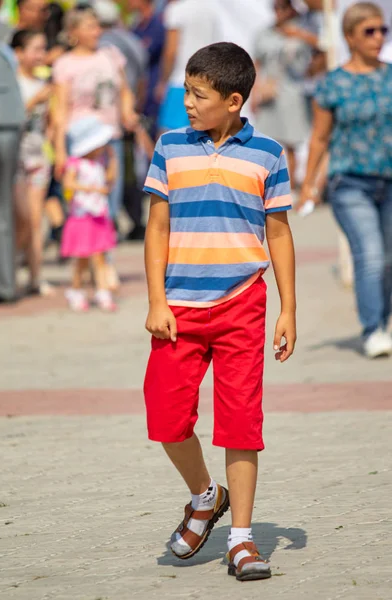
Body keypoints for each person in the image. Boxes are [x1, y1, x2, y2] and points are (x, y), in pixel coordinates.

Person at [143, 42, 296, 581]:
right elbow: (157, 227)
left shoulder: (269, 154)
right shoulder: (169, 147)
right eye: (186, 89)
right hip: (178, 309)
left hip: (242, 304)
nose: (187, 102)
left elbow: (278, 232)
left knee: (240, 423)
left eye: (198, 94)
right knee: (165, 419)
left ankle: (242, 540)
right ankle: (206, 496)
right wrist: (156, 301)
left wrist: (287, 308)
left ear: (233, 101)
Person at [299, 2, 392, 359]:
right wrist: (309, 183)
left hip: (389, 182)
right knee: (369, 255)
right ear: (350, 36)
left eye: (383, 30)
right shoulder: (333, 84)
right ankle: (373, 330)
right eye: (369, 31)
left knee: (386, 260)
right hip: (350, 182)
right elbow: (320, 138)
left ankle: (382, 321)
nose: (378, 37)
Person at [53, 7, 137, 223]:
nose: (97, 32)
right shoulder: (65, 64)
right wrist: (60, 150)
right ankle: (89, 254)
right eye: (90, 27)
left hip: (110, 137)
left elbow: (124, 90)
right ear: (73, 31)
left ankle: (104, 253)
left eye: (97, 26)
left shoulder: (110, 55)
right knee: (85, 204)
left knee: (111, 200)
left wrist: (128, 111)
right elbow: (60, 109)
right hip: (81, 142)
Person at [96, 0, 149, 240]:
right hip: (129, 113)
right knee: (131, 170)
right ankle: (133, 220)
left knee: (116, 171)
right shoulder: (132, 40)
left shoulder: (104, 45)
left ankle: (112, 223)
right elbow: (142, 78)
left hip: (111, 119)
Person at [252, 0, 319, 189]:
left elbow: (324, 47)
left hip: (292, 91)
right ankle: (265, 181)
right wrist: (254, 91)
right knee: (266, 138)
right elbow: (257, 62)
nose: (279, 12)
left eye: (283, 7)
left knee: (291, 141)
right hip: (270, 90)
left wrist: (300, 35)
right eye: (276, 7)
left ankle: (290, 184)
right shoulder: (264, 33)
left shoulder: (304, 28)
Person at [12, 29, 54, 296]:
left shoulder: (45, 84)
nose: (41, 55)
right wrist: (33, 102)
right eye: (35, 49)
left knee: (36, 220)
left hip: (38, 159)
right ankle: (11, 269)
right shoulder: (11, 83)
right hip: (14, 160)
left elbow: (49, 123)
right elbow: (10, 117)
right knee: (22, 219)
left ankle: (35, 276)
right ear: (18, 52)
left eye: (43, 49)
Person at [61, 116, 117, 312]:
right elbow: (68, 183)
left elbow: (110, 181)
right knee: (82, 259)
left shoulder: (100, 163)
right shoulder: (75, 163)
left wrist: (113, 160)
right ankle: (76, 290)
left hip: (99, 215)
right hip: (82, 216)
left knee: (100, 256)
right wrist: (91, 189)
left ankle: (103, 292)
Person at [0, 24, 25, 303]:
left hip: (5, 128)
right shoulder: (3, 51)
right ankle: (5, 284)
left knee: (2, 209)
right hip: (11, 129)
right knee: (2, 209)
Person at [156, 0, 220, 132]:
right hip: (206, 82)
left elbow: (171, 52)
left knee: (168, 137)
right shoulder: (211, 9)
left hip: (181, 81)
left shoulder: (176, 9)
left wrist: (163, 80)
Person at [129, 0, 165, 137]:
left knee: (153, 132)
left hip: (154, 88)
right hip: (139, 88)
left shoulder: (158, 24)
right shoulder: (136, 25)